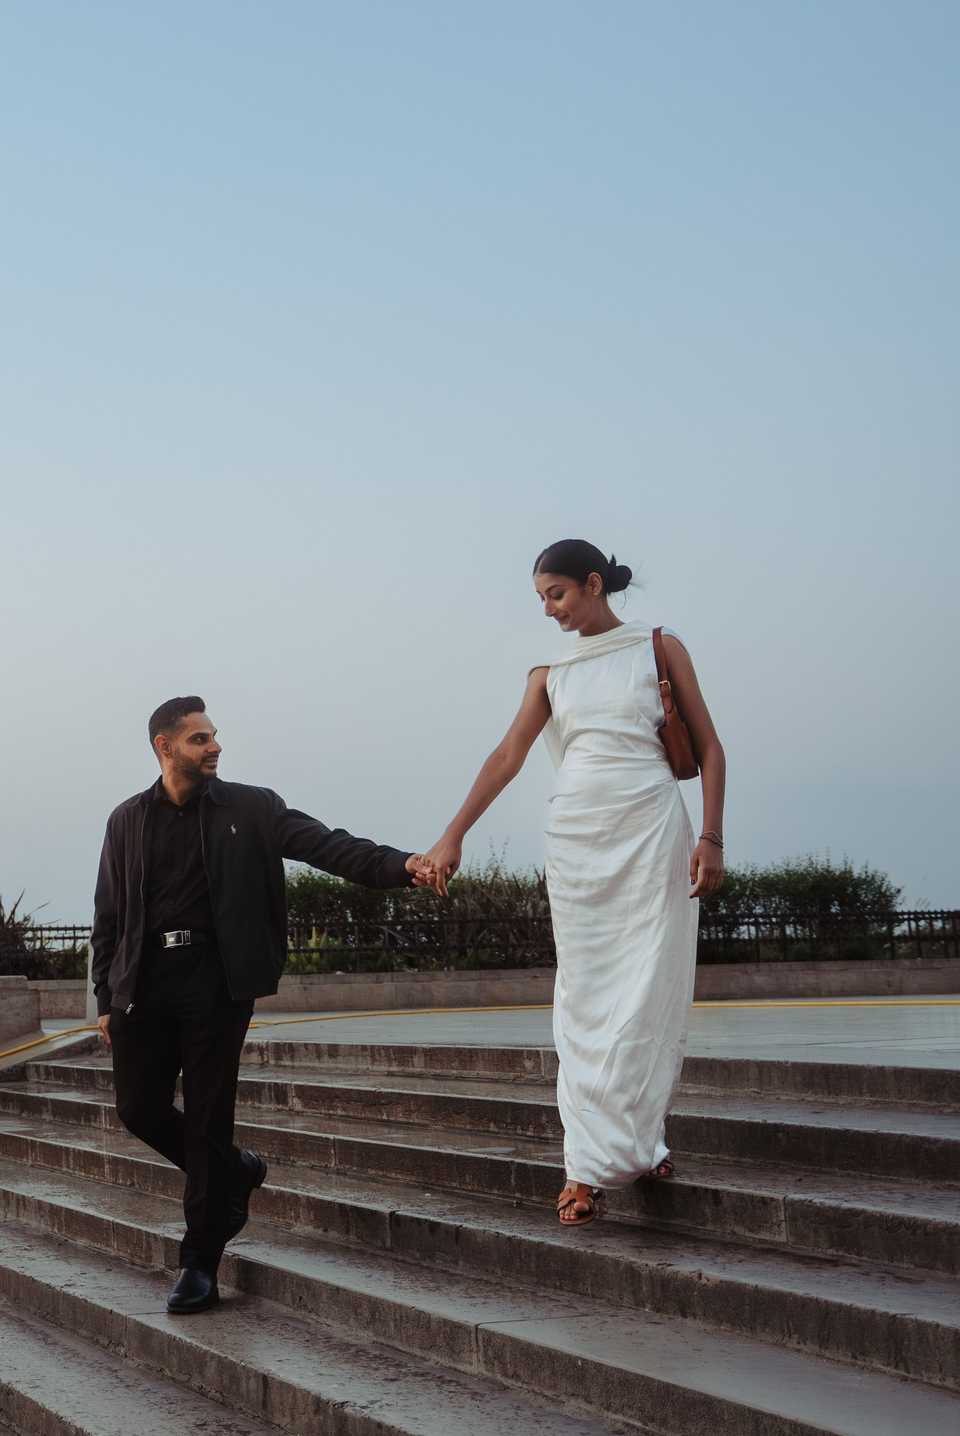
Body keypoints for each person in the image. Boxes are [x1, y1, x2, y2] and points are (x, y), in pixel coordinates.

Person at [417, 540, 727, 1227]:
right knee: (583, 999)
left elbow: (709, 748)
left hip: (650, 830)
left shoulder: (657, 646)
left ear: (592, 583)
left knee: (648, 992)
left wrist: (711, 836)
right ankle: (584, 1165)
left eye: (556, 593)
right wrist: (453, 832)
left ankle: (639, 1142)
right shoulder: (549, 672)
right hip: (578, 842)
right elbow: (507, 755)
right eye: (540, 599)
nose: (549, 609)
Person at [93, 697, 436, 1314]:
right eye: (199, 739)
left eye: (214, 736)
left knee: (205, 1120)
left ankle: (199, 1262)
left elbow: (330, 846)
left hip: (217, 981)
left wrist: (401, 866)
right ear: (164, 747)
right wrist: (104, 997)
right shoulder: (126, 820)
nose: (214, 746)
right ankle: (235, 1170)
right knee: (138, 1109)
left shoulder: (252, 808)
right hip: (143, 985)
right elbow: (109, 917)